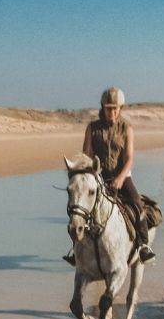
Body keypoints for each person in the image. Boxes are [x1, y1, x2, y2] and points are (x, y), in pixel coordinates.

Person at [65, 87, 156, 264]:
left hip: (122, 176)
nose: (112, 112)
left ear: (120, 108)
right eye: (108, 108)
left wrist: (120, 179)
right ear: (103, 108)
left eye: (115, 108)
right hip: (97, 176)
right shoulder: (92, 128)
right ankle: (75, 248)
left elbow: (129, 159)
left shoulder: (127, 129)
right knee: (79, 206)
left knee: (137, 204)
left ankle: (144, 245)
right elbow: (86, 156)